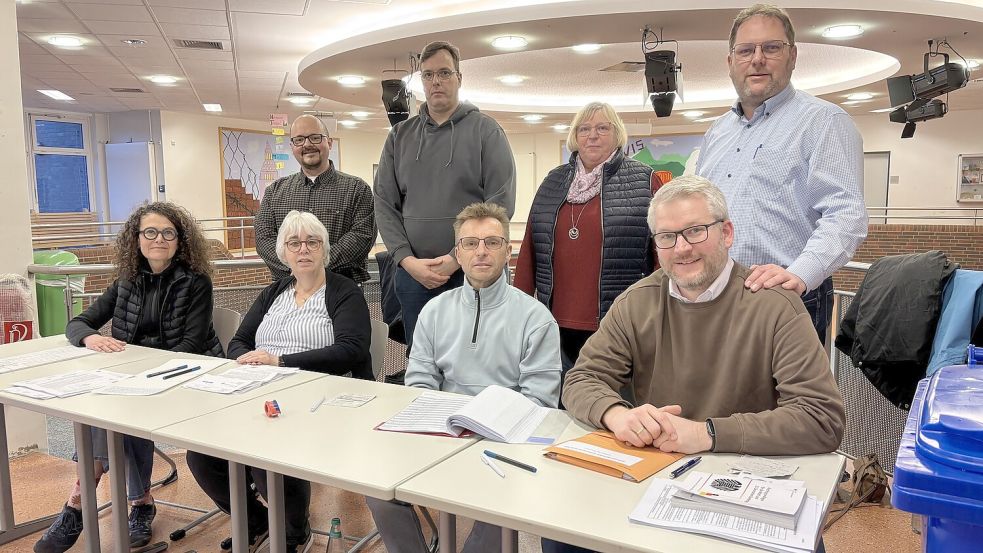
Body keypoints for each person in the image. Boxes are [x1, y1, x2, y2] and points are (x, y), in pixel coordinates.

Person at [554, 175, 844, 553]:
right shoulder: (637, 302)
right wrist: (617, 416)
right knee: (563, 535)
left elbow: (821, 418)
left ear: (726, 233)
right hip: (657, 478)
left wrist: (704, 434)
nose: (682, 248)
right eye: (667, 237)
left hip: (743, 478)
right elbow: (581, 379)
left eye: (695, 231)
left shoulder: (775, 307)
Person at [366, 202, 560, 553]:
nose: (480, 252)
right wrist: (446, 426)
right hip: (442, 433)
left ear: (508, 251)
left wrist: (483, 427)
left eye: (492, 242)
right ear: (458, 252)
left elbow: (539, 401)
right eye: (470, 243)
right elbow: (420, 380)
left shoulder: (537, 318)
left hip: (502, 444)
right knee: (377, 486)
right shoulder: (434, 311)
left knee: (498, 503)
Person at [35, 202, 223, 553]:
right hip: (137, 380)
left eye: (168, 233)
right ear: (136, 239)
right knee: (99, 412)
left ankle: (85, 504)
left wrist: (137, 373)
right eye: (149, 232)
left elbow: (190, 345)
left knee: (117, 411)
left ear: (180, 240)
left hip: (190, 379)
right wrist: (92, 338)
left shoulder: (196, 282)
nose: (159, 239)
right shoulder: (126, 280)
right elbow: (77, 324)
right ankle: (118, 502)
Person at [187, 210, 372, 553]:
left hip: (321, 396)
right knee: (201, 453)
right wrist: (249, 362)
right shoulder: (275, 291)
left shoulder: (344, 292)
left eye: (312, 242)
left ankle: (291, 532)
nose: (304, 250)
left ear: (324, 249)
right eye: (294, 243)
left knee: (266, 452)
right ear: (284, 253)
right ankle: (257, 522)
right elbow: (239, 341)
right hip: (262, 391)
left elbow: (352, 350)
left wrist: (282, 361)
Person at [696, 3, 867, 343]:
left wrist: (799, 275)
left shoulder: (823, 122)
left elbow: (846, 214)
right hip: (716, 294)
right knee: (717, 395)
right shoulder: (717, 132)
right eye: (746, 50)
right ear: (731, 62)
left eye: (771, 48)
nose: (757, 59)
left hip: (787, 296)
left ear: (793, 56)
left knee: (787, 398)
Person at [374, 40, 516, 350]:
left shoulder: (487, 131)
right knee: (423, 358)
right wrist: (407, 261)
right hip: (413, 276)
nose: (436, 81)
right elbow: (384, 204)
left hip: (474, 271)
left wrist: (457, 259)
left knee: (479, 355)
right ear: (421, 81)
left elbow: (501, 205)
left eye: (444, 72)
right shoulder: (400, 136)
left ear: (459, 78)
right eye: (427, 75)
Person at [514, 102, 660, 394]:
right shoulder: (553, 182)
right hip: (554, 323)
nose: (593, 135)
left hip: (618, 322)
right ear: (575, 136)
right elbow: (530, 247)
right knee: (561, 403)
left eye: (603, 128)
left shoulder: (644, 180)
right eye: (585, 128)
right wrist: (518, 309)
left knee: (611, 403)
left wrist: (660, 312)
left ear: (617, 134)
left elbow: (660, 255)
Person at [255, 114, 376, 283]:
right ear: (292, 146)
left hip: (341, 289)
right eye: (299, 140)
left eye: (315, 137)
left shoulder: (357, 189)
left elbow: (361, 237)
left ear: (329, 142)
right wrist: (294, 267)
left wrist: (316, 266)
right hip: (288, 289)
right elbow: (264, 239)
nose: (307, 144)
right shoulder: (274, 192)